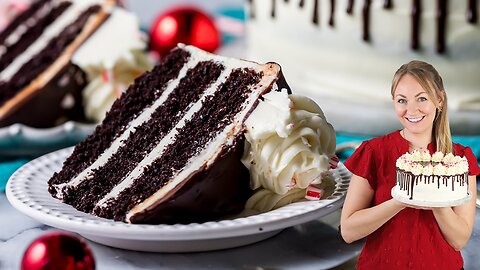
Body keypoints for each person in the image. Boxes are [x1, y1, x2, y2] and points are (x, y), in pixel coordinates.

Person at [340, 60, 480, 270]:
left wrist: (432, 197)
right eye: (402, 100)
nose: (411, 110)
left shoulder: (459, 159)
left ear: (439, 100)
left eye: (422, 98)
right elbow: (349, 231)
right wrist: (400, 201)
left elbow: (459, 240)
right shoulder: (374, 152)